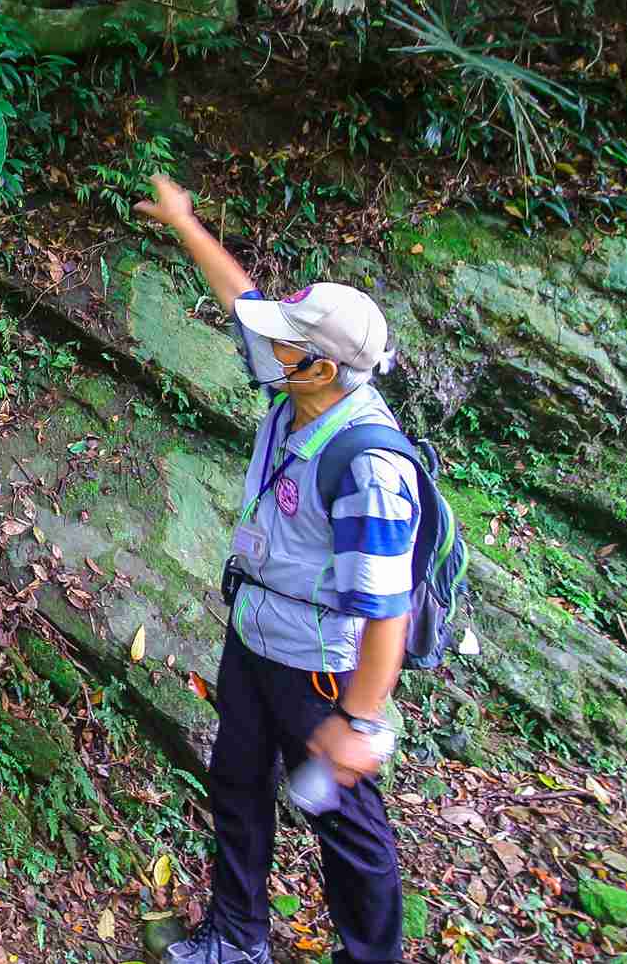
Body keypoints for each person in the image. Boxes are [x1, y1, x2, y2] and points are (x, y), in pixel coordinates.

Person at [135, 174, 416, 964]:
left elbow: (387, 608)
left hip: (318, 668)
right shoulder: (300, 388)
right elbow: (243, 302)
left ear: (322, 367)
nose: (271, 343)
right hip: (256, 634)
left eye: (289, 341)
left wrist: (358, 723)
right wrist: (186, 224)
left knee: (346, 828)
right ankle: (236, 939)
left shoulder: (367, 464)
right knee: (237, 784)